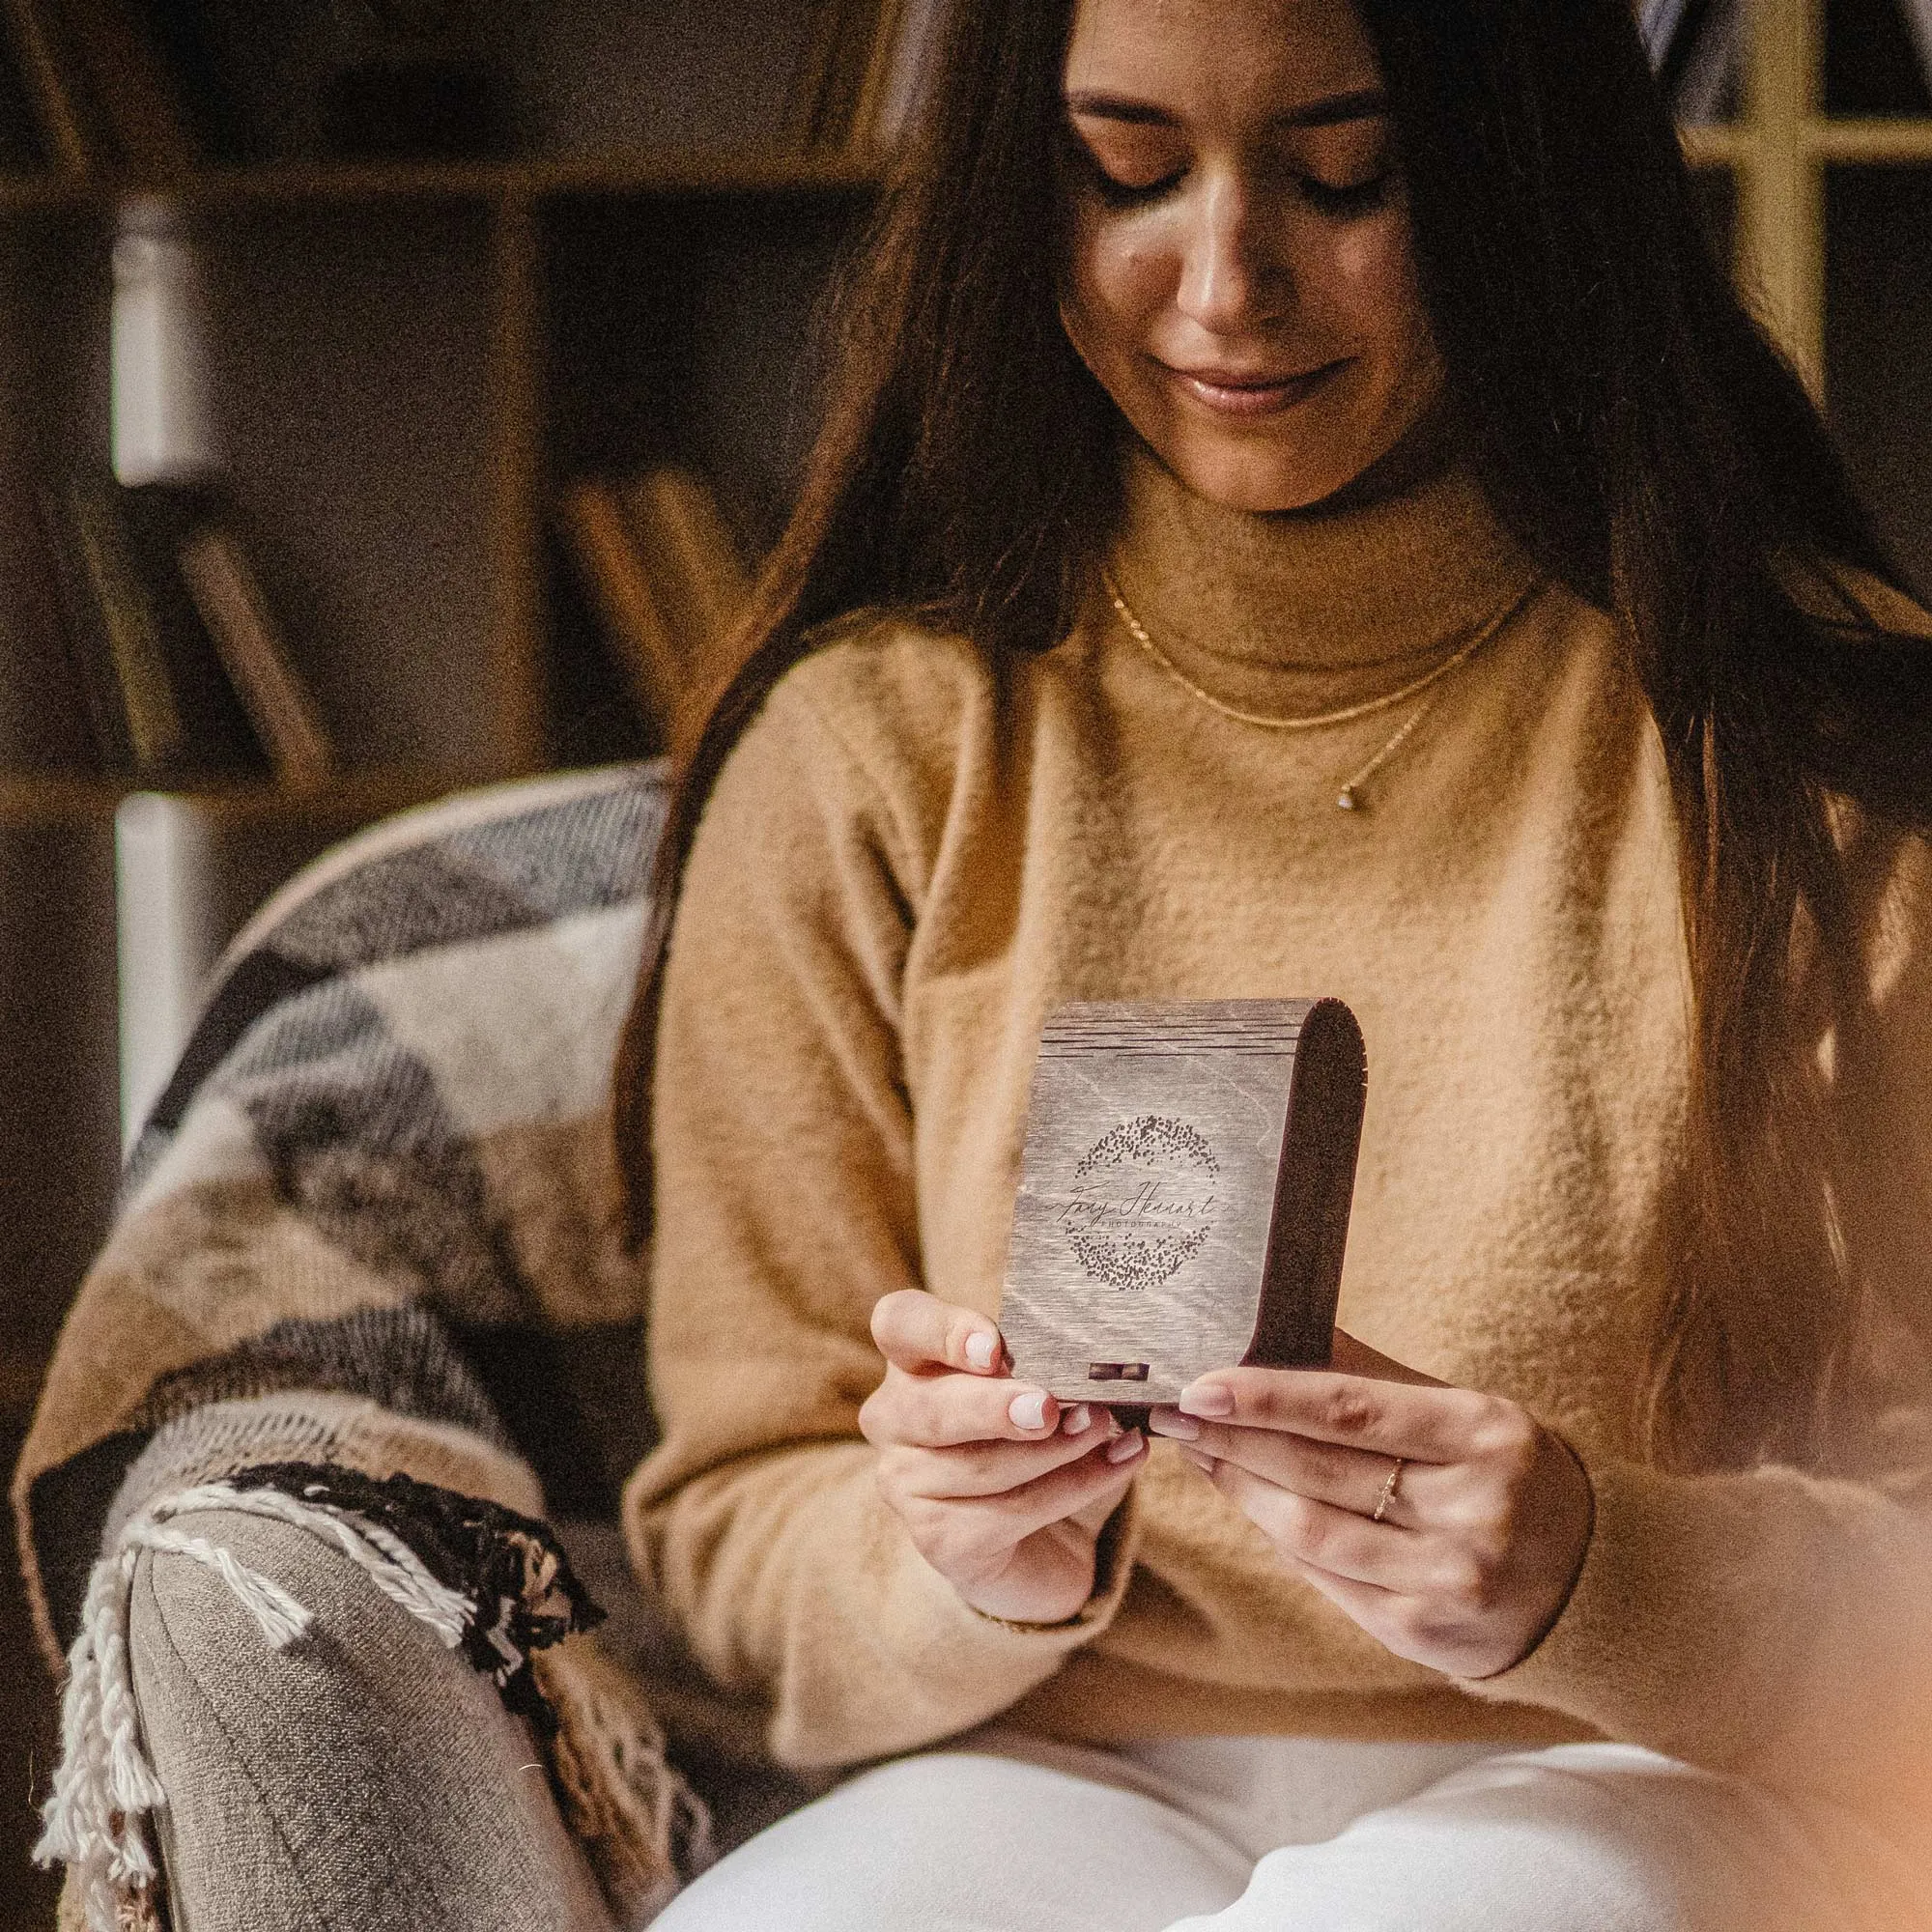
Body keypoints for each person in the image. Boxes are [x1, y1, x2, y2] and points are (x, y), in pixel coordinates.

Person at [617, 0, 1932, 1926]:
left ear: (1522, 175)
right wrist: (952, 1559)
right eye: (1123, 173)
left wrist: (1604, 1571)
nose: (1223, 284)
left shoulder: (1823, 754)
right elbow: (730, 1533)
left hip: (1665, 1770)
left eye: (1347, 176)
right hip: (1039, 1759)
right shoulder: (870, 754)